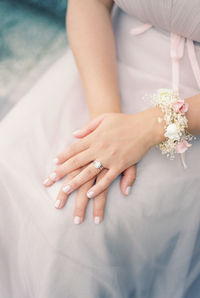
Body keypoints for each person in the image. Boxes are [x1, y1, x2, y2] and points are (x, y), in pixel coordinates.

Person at [0, 0, 200, 297]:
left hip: (190, 109)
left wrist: (149, 127)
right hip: (105, 55)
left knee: (73, 230)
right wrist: (105, 121)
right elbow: (88, 4)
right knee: (10, 157)